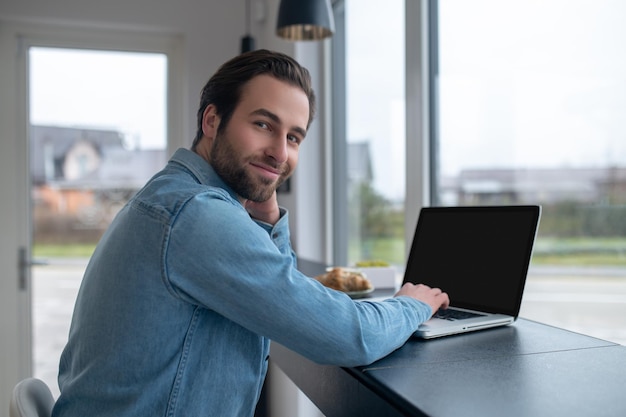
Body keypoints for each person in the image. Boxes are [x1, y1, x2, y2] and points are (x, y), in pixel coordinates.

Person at [51, 49, 449, 417]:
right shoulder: (196, 214)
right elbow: (347, 335)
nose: (280, 152)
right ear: (212, 120)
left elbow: (281, 291)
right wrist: (412, 304)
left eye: (293, 137)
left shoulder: (175, 197)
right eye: (263, 124)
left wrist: (267, 221)